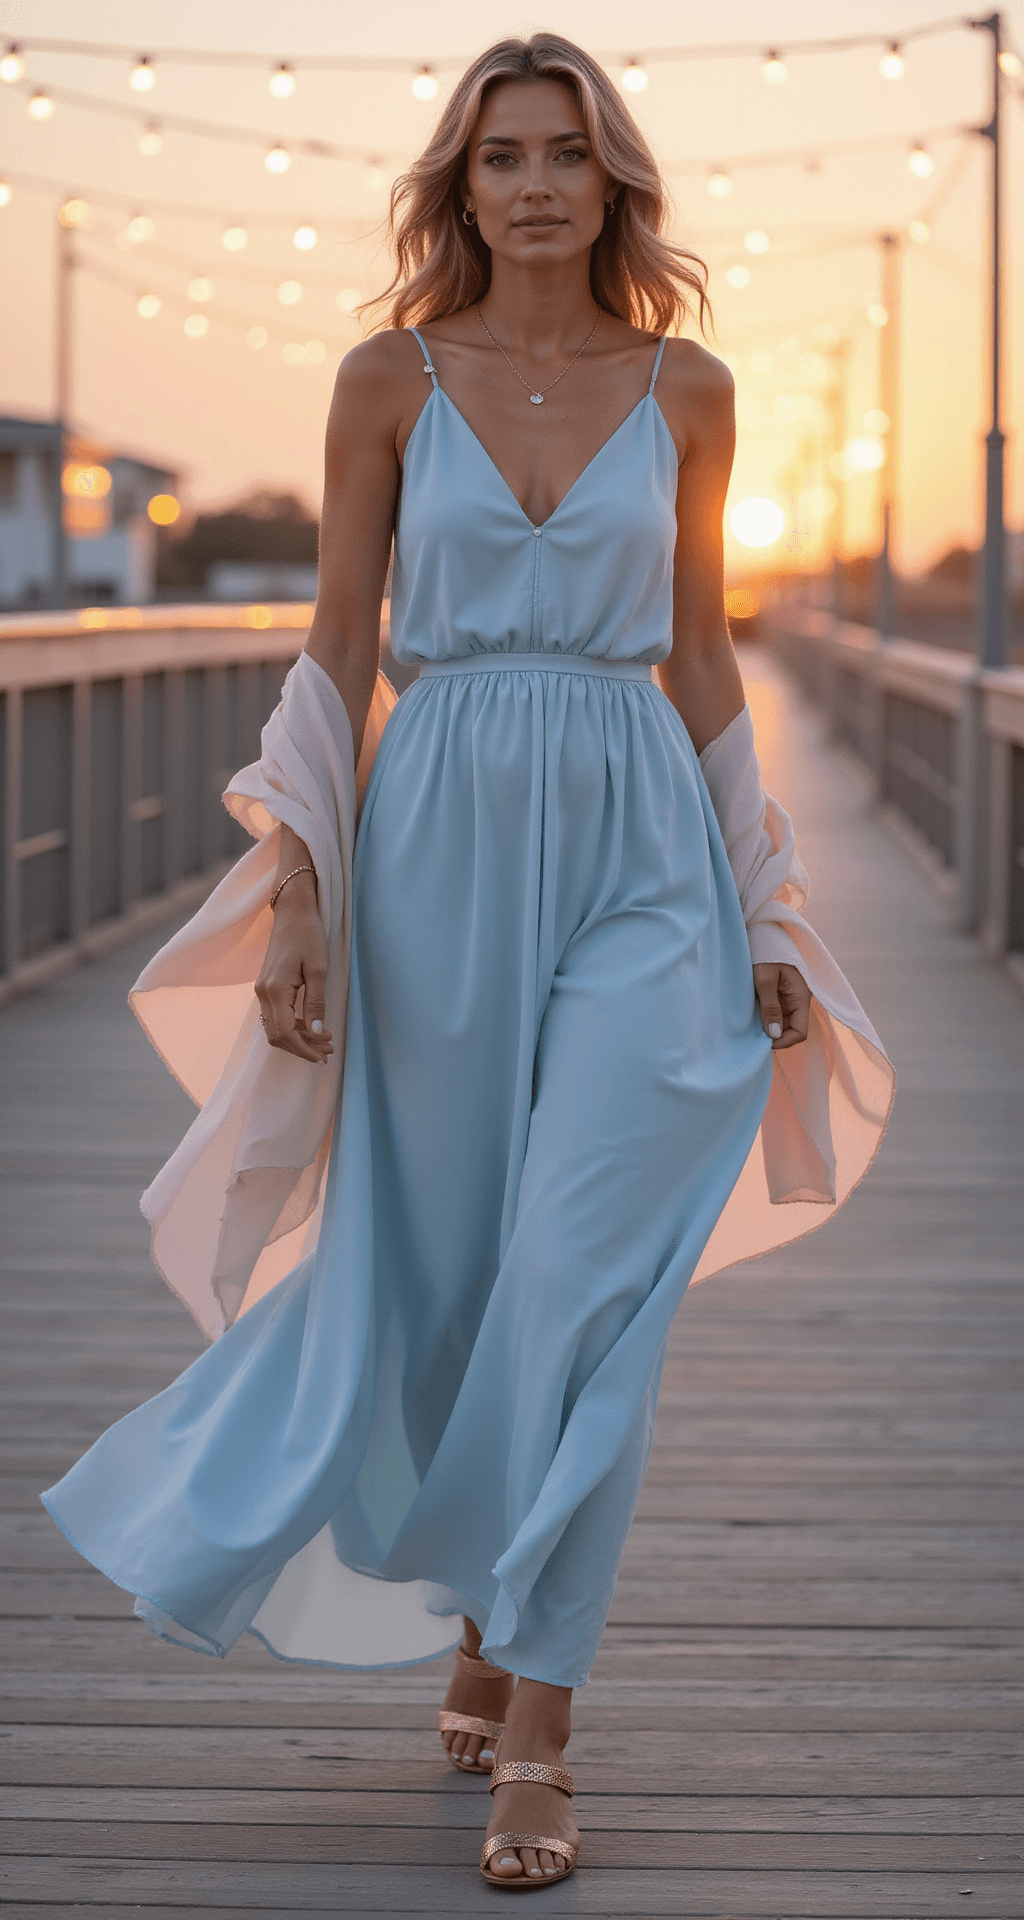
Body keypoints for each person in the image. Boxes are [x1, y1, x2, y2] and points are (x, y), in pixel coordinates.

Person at [42, 33, 893, 1892]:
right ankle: (487, 1614)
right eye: (502, 156)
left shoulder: (689, 388)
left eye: (565, 155)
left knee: (587, 1277)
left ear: (613, 182)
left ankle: (543, 1720)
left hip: (643, 851)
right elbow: (339, 648)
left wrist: (768, 905)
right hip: (431, 844)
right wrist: (303, 892)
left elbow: (704, 653)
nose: (534, 186)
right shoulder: (386, 380)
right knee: (440, 1287)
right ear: (461, 186)